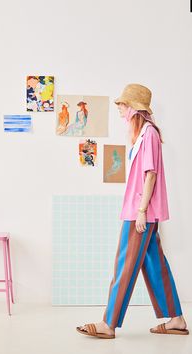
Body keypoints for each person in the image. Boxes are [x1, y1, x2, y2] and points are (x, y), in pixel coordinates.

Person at [76, 83, 189, 339]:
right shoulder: (144, 135)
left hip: (140, 213)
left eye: (123, 105)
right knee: (154, 263)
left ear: (135, 108)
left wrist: (140, 211)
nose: (120, 110)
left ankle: (108, 324)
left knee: (125, 265)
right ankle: (177, 319)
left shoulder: (147, 134)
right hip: (142, 212)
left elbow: (150, 175)